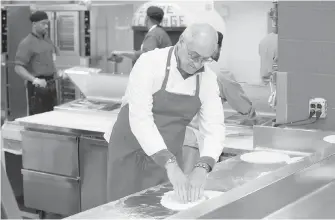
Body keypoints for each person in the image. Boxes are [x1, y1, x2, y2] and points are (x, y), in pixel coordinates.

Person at [104, 23, 225, 204]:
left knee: (162, 208)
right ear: (180, 43)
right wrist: (170, 164)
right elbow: (141, 119)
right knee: (125, 208)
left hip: (169, 155)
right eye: (194, 56)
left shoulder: (208, 79)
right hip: (129, 151)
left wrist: (202, 167)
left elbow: (214, 127)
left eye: (205, 59)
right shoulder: (149, 63)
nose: (198, 64)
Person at [183, 31, 258, 173]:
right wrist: (254, 118)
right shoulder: (219, 72)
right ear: (215, 47)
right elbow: (240, 102)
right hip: (193, 141)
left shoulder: (185, 65)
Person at [14, 11, 63, 115]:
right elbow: (18, 67)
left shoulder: (48, 41)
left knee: (52, 116)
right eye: (43, 23)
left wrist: (58, 72)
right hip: (37, 87)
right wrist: (34, 80)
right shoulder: (27, 43)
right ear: (34, 24)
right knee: (38, 118)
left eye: (47, 23)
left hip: (51, 84)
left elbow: (51, 59)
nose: (46, 26)